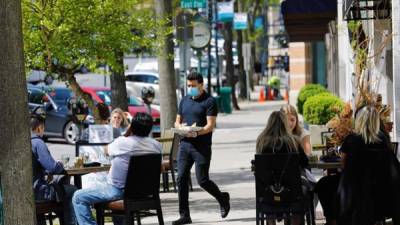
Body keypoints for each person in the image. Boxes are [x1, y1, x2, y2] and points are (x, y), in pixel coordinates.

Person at [315, 105, 400, 225]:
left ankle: (332, 220)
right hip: (380, 191)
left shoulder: (351, 139)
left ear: (359, 120)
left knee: (324, 184)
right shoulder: (383, 140)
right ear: (377, 121)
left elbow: (344, 165)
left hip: (354, 191)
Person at [72, 112, 162, 225]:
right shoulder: (156, 145)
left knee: (78, 197)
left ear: (132, 127)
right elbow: (161, 169)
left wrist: (127, 132)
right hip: (147, 193)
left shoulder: (122, 142)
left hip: (119, 191)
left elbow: (105, 150)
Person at [173, 72, 230, 225]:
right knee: (181, 178)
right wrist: (180, 128)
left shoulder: (209, 101)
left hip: (201, 146)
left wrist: (196, 133)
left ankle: (222, 198)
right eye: (188, 85)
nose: (190, 88)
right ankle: (184, 215)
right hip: (185, 144)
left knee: (202, 180)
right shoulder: (184, 100)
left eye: (193, 85)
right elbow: (177, 122)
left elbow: (210, 126)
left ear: (201, 85)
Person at [256, 111, 311, 225]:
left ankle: (271, 220)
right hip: (292, 193)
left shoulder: (262, 142)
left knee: (268, 193)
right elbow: (305, 163)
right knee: (306, 190)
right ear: (285, 124)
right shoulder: (293, 141)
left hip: (268, 193)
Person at [31, 115, 77, 225]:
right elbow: (52, 167)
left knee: (61, 186)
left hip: (26, 191)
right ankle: (70, 222)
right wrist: (60, 164)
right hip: (39, 193)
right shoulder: (38, 143)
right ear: (39, 128)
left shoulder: (21, 142)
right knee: (72, 190)